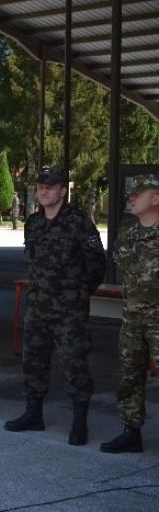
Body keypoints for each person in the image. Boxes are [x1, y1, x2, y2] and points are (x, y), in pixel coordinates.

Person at [4, 167, 105, 445]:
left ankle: (79, 423)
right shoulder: (34, 223)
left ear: (63, 190)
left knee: (74, 364)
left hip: (69, 310)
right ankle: (33, 414)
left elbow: (97, 264)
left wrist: (76, 293)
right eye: (40, 186)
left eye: (50, 186)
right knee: (33, 362)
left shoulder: (78, 222)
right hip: (38, 306)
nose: (43, 191)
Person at [101, 175, 159, 454]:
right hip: (133, 319)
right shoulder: (127, 233)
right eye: (130, 194)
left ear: (156, 199)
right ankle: (131, 432)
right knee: (130, 377)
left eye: (138, 194)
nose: (131, 198)